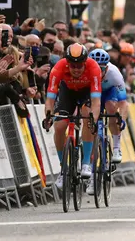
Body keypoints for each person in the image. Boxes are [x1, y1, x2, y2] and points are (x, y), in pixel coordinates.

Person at [43, 43, 102, 189]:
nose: (76, 69)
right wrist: (49, 116)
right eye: (72, 66)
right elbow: (50, 98)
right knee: (59, 126)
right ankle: (64, 170)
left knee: (87, 116)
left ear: (85, 63)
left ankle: (86, 163)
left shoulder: (94, 67)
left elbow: (96, 101)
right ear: (67, 63)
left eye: (79, 66)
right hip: (67, 92)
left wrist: (93, 120)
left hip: (86, 92)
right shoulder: (58, 67)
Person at [86, 49, 129, 195]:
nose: (99, 71)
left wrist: (121, 119)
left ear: (107, 67)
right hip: (93, 93)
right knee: (89, 125)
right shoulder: (85, 71)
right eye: (96, 68)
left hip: (109, 92)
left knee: (111, 108)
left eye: (102, 68)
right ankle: (91, 177)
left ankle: (116, 146)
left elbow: (123, 103)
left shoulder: (114, 74)